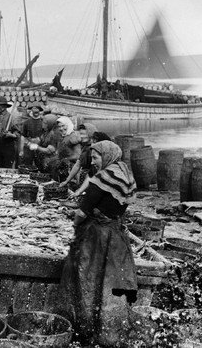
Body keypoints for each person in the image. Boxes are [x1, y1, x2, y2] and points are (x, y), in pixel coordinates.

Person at [53, 140, 138, 346]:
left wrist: (75, 224)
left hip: (96, 236)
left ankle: (83, 326)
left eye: (96, 157)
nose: (93, 161)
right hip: (115, 236)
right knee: (109, 280)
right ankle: (110, 330)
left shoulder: (103, 178)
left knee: (84, 275)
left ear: (107, 156)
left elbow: (84, 210)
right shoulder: (124, 174)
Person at [0, 97, 20, 168]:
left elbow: (17, 133)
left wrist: (11, 135)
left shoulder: (11, 118)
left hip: (8, 144)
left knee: (7, 166)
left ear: (4, 107)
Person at [49, 116, 82, 182]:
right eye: (59, 127)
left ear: (68, 124)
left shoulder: (73, 137)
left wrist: (65, 159)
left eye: (63, 126)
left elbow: (78, 156)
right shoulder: (64, 136)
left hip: (73, 169)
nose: (61, 128)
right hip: (64, 167)